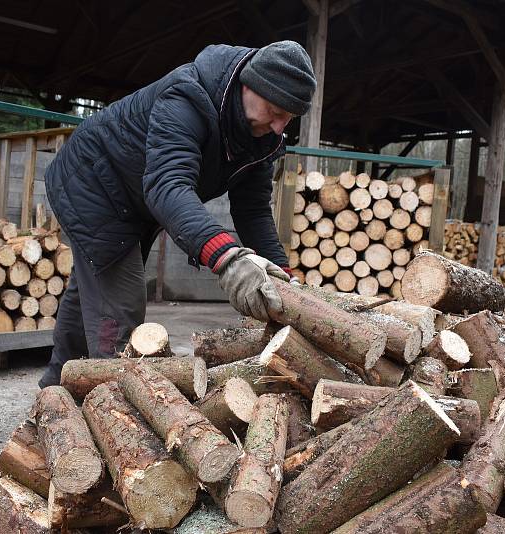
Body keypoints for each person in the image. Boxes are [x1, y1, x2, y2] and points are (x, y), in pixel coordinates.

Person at [39, 41, 317, 388]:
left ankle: (54, 391)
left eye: (288, 117)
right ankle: (107, 403)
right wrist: (228, 258)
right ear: (250, 85)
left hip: (131, 197)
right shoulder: (188, 98)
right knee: (122, 306)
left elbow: (253, 211)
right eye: (275, 111)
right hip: (92, 182)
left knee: (88, 291)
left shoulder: (260, 139)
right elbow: (167, 185)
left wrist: (283, 278)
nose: (278, 126)